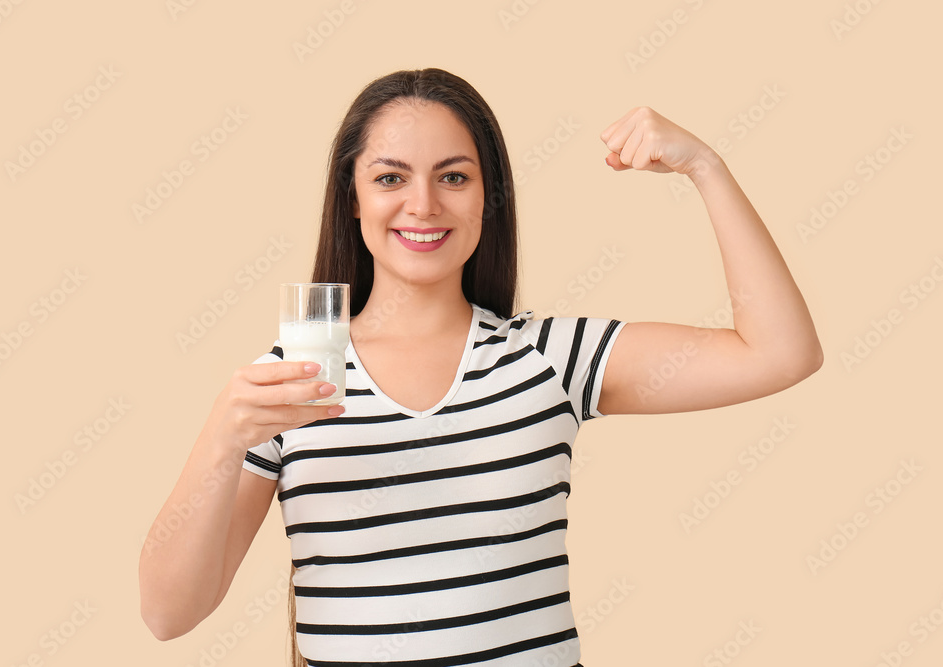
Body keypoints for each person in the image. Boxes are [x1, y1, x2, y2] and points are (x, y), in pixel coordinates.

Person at [139, 68, 823, 666]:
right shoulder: (290, 383)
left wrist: (706, 165)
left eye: (454, 177)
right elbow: (169, 615)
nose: (424, 205)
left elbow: (780, 353)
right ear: (352, 198)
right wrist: (220, 439)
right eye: (389, 178)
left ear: (487, 197)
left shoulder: (551, 358)